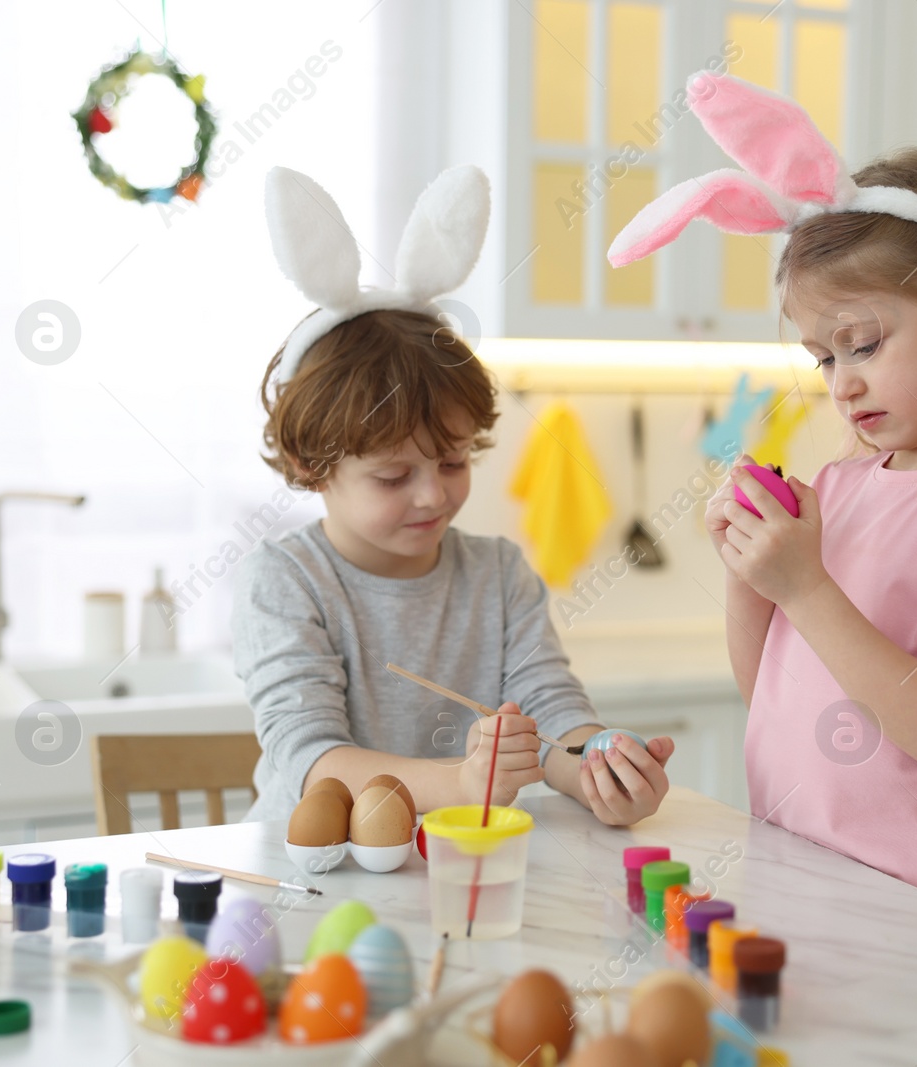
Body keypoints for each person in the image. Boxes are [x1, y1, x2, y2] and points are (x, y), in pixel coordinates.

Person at [610, 74, 917, 931]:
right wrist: (751, 573)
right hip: (804, 890)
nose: (842, 381)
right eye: (824, 357)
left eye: (863, 342)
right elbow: (773, 697)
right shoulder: (840, 487)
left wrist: (805, 587)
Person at [235, 165, 674, 829]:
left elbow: (553, 715)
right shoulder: (288, 579)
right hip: (313, 874)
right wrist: (463, 781)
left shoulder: (497, 575)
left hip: (458, 868)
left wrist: (600, 769)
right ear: (311, 464)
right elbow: (311, 756)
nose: (432, 494)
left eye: (452, 459)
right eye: (392, 476)